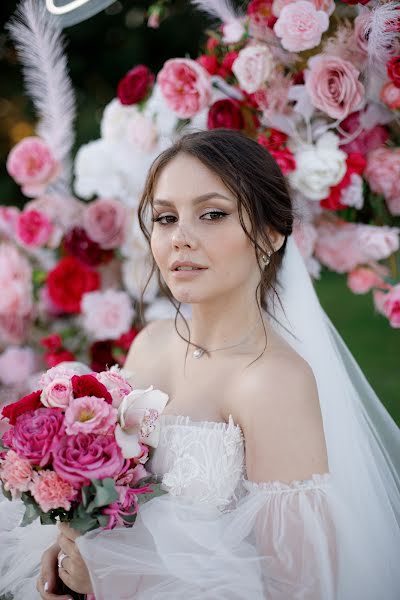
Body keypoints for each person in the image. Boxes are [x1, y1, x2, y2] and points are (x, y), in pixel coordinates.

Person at [1, 129, 399, 599]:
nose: (180, 239)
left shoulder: (272, 382)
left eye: (212, 214)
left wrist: (117, 579)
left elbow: (297, 588)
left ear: (271, 236)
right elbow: (116, 505)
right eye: (166, 217)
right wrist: (68, 542)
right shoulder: (150, 344)